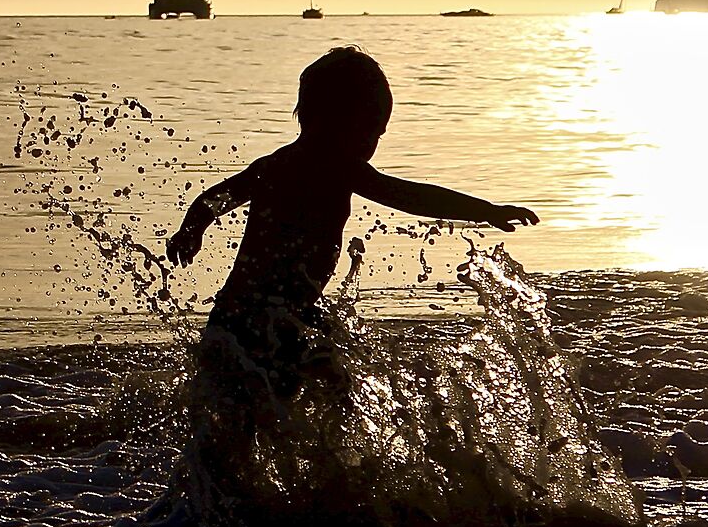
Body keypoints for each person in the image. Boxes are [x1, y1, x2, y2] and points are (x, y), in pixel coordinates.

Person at [166, 46, 538, 401]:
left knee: (234, 414)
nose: (373, 143)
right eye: (373, 131)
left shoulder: (273, 165)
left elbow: (215, 199)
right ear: (343, 122)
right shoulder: (337, 166)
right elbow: (409, 196)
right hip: (277, 324)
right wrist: (485, 211)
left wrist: (191, 230)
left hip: (233, 318)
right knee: (337, 389)